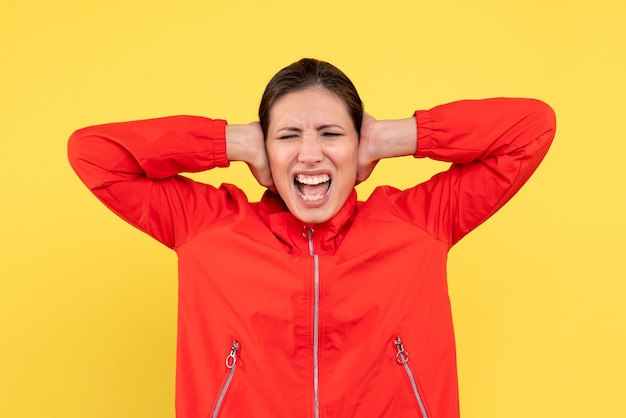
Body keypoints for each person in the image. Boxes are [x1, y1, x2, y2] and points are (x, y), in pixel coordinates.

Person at [68, 58, 556, 418]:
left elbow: (531, 129)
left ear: (360, 143)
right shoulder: (205, 226)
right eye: (286, 137)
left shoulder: (421, 222)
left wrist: (396, 136)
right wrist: (228, 141)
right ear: (262, 148)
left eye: (330, 134)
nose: (309, 155)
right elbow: (93, 155)